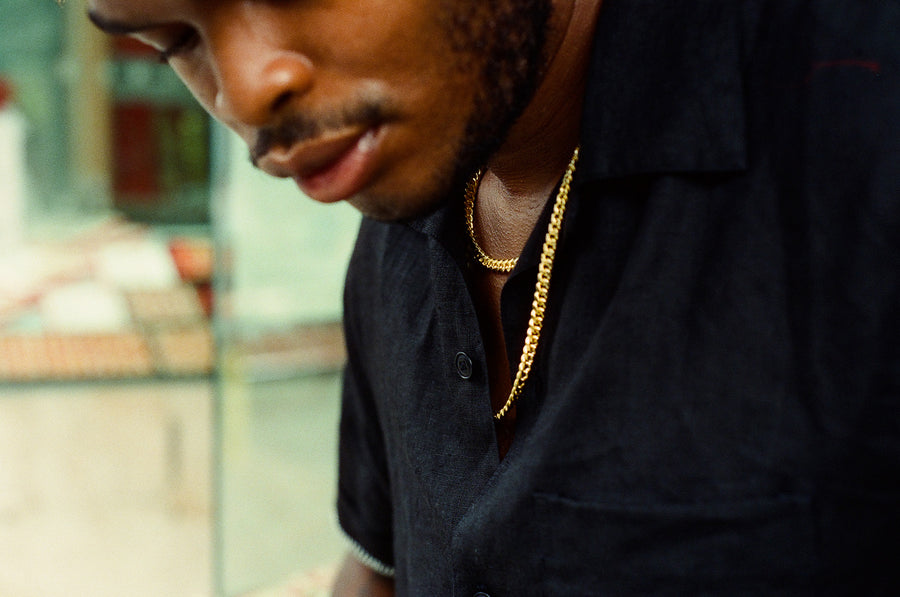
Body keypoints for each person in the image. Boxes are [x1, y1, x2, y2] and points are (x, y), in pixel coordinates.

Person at [86, 0, 899, 594]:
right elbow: (384, 572)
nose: (245, 91)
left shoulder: (857, 120)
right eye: (175, 42)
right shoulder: (400, 209)